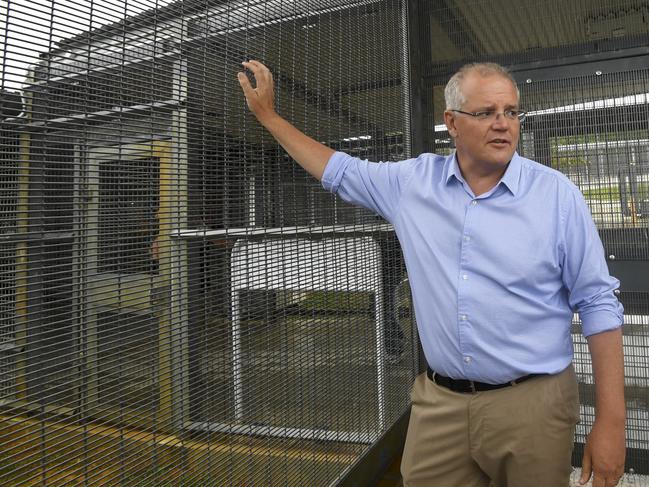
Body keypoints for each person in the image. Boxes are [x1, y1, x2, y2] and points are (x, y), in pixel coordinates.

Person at [237, 60, 626, 487]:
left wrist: (611, 421)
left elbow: (597, 303)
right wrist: (269, 117)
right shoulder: (413, 185)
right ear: (452, 122)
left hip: (534, 406)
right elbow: (339, 171)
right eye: (486, 113)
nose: (503, 124)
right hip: (440, 405)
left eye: (511, 112)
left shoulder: (556, 196)